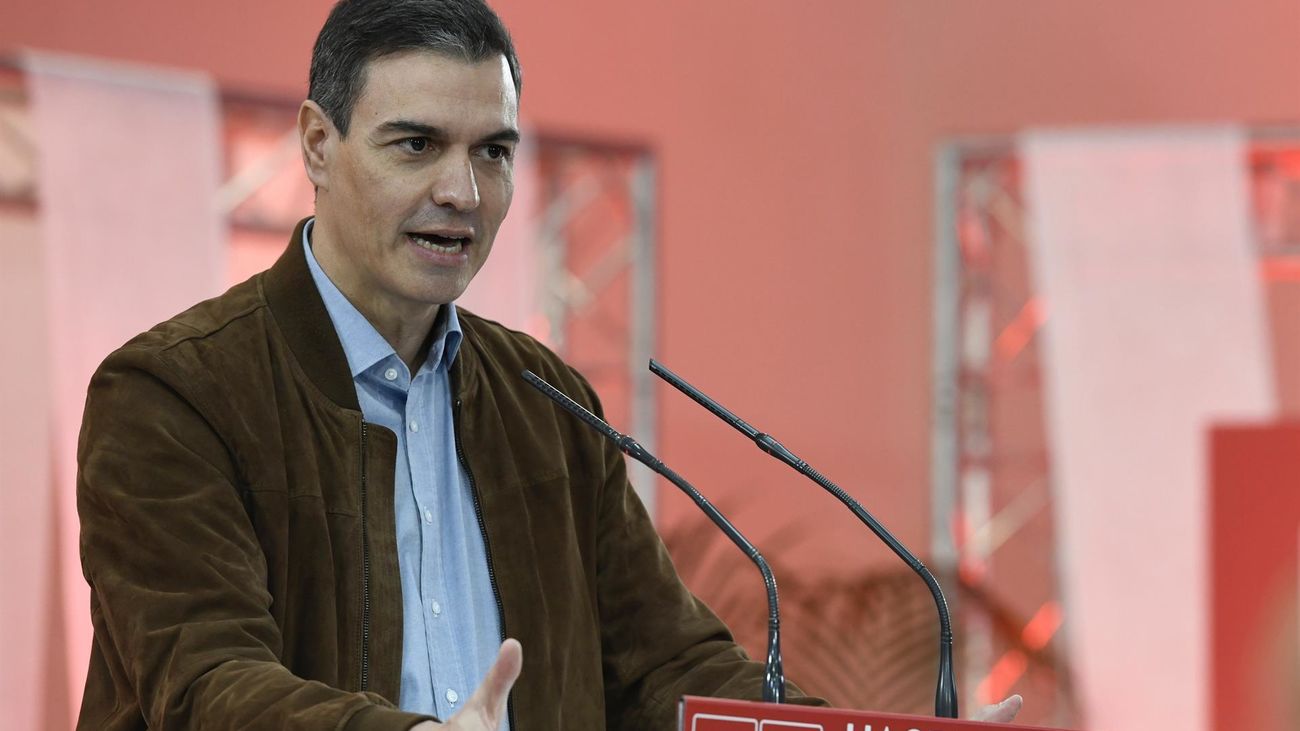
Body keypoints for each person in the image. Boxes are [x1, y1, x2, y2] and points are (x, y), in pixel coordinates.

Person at [75, 1, 1021, 729]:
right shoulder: (172, 394)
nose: (462, 190)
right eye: (417, 145)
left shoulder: (547, 401)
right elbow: (206, 683)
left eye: (493, 152)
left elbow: (667, 664)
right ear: (319, 145)